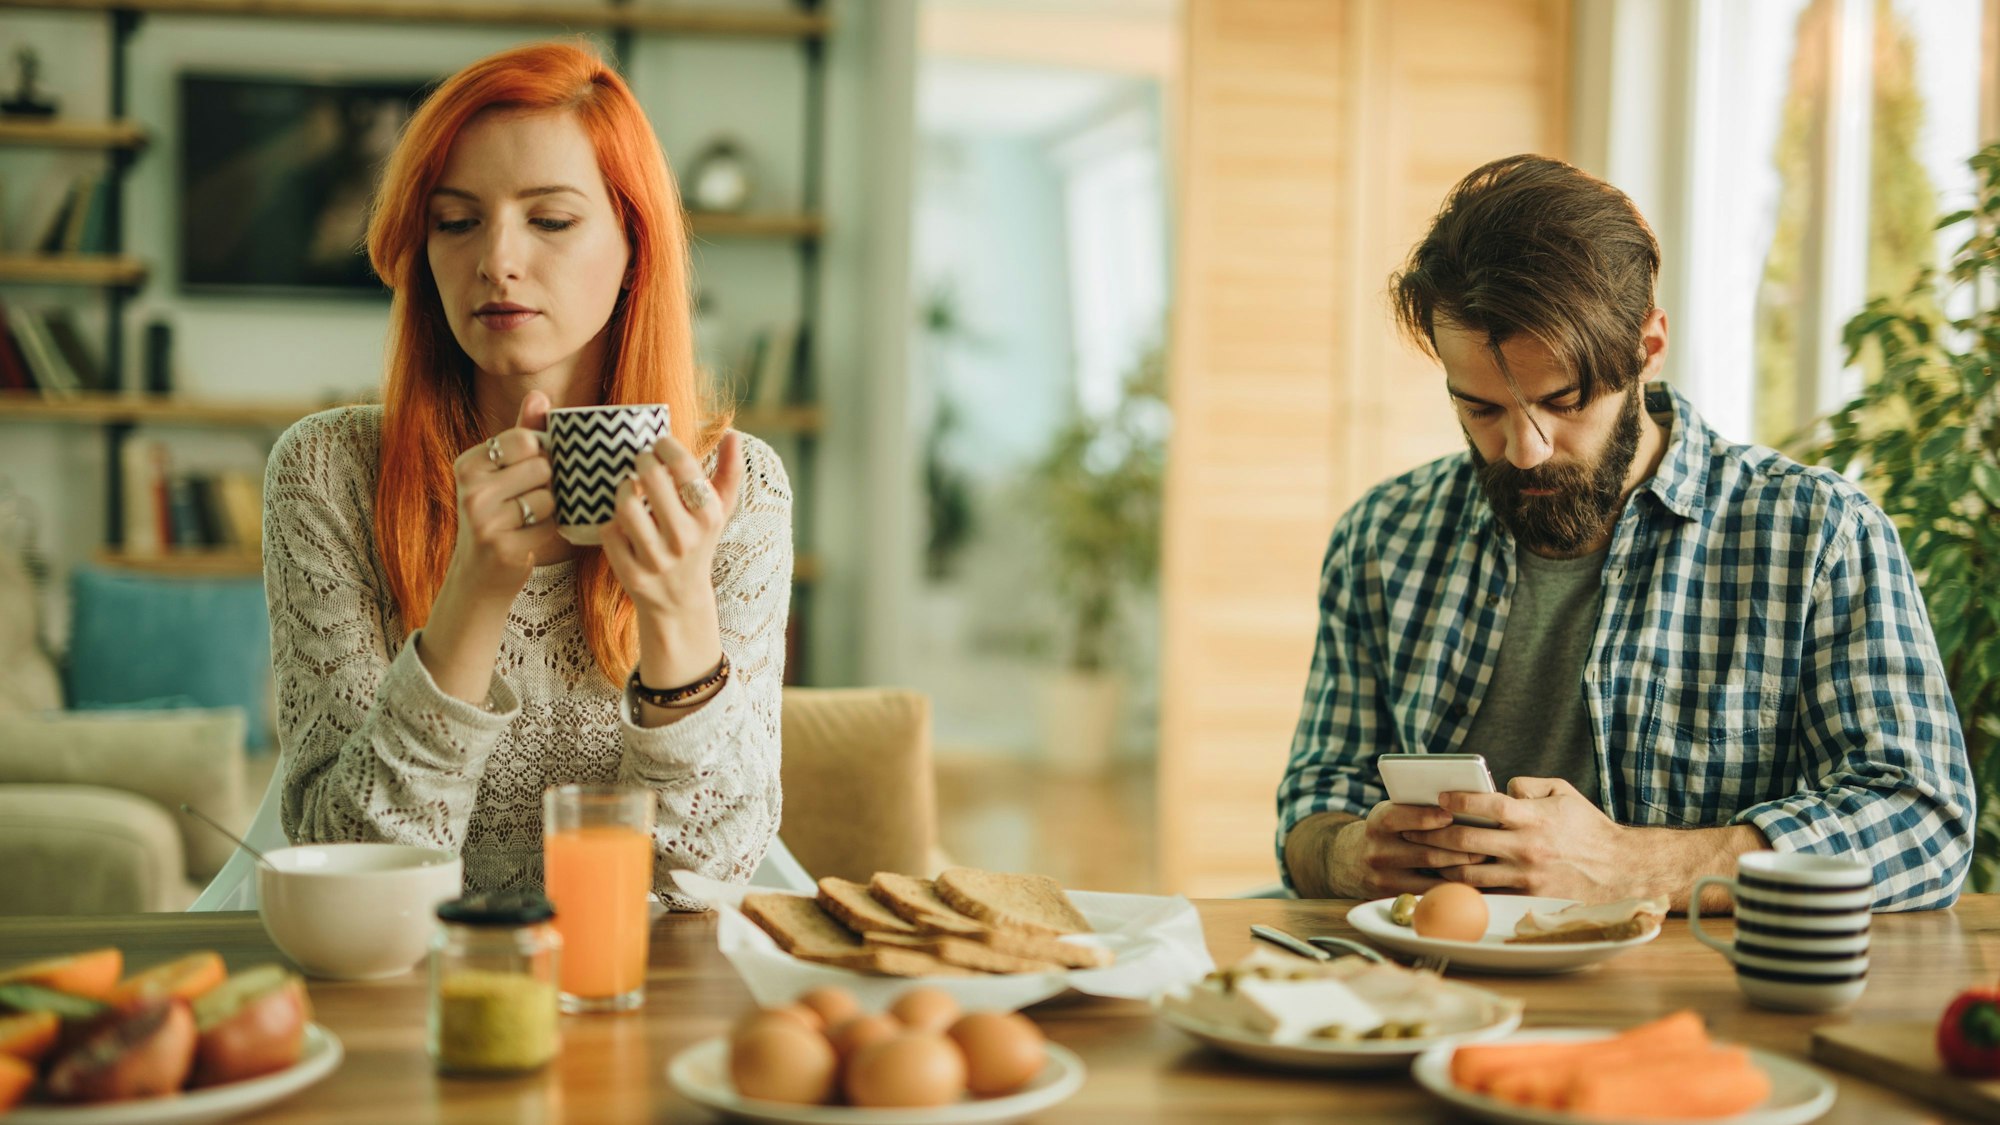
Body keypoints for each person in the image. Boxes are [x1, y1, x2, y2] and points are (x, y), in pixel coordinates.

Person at [1277, 155, 1972, 912]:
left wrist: (1640, 866)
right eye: (1480, 410)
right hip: (1433, 996)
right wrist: (1347, 854)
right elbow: (1314, 805)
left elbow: (1925, 821)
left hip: (1688, 1006)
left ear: (1647, 346)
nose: (1524, 448)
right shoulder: (1383, 538)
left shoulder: (1818, 536)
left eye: (1564, 401)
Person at [265, 41, 792, 909]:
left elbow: (706, 874)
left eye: (550, 220)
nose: (496, 260)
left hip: (638, 980)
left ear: (635, 243)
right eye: (456, 219)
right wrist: (475, 588)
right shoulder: (329, 473)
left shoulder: (738, 492)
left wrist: (676, 611)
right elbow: (348, 862)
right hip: (406, 977)